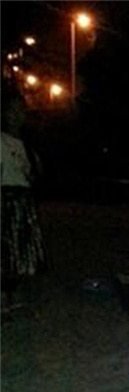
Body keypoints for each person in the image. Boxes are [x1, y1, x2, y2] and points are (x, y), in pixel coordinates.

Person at [1, 84, 46, 308]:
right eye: (13, 111)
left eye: (21, 111)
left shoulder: (27, 144)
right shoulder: (2, 142)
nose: (17, 116)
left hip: (23, 201)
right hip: (6, 200)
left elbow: (35, 174)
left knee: (22, 250)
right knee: (6, 249)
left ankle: (16, 295)